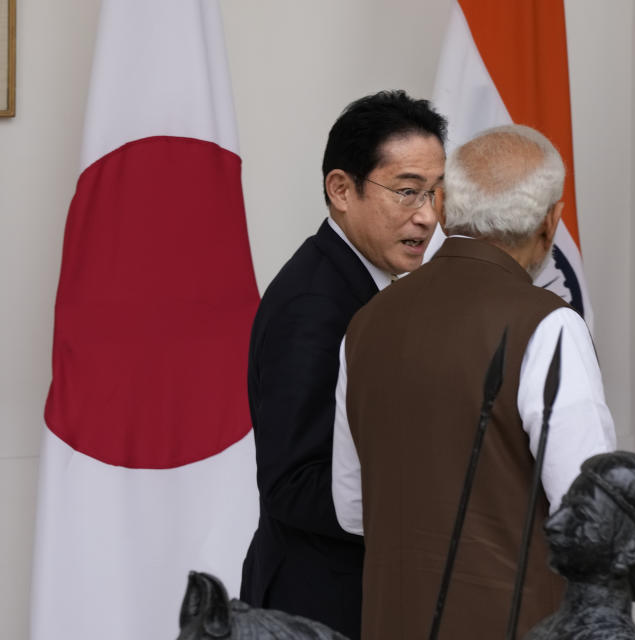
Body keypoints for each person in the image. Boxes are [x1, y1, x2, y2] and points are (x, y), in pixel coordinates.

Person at [331, 124, 616, 639]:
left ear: (442, 207)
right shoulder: (550, 326)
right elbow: (593, 525)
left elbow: (353, 511)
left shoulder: (366, 323)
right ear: (551, 222)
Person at [239, 90, 447, 639]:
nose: (426, 217)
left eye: (435, 192)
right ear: (341, 189)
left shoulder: (370, 286)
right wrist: (432, 498)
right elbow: (291, 484)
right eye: (407, 192)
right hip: (317, 606)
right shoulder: (315, 307)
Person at [526, 452, 635, 640]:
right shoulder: (550, 628)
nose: (552, 523)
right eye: (564, 506)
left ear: (634, 548)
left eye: (582, 514)